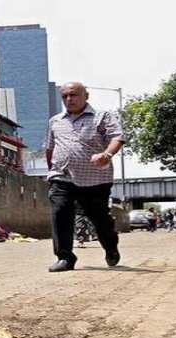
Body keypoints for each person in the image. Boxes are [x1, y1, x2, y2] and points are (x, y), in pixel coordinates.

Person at [44, 82, 124, 272]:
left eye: (74, 95)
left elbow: (117, 137)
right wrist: (51, 171)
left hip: (95, 180)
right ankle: (65, 257)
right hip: (62, 177)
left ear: (86, 96)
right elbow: (49, 147)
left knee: (100, 219)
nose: (69, 100)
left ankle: (110, 246)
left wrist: (107, 155)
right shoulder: (55, 121)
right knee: (60, 214)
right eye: (64, 96)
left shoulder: (102, 117)